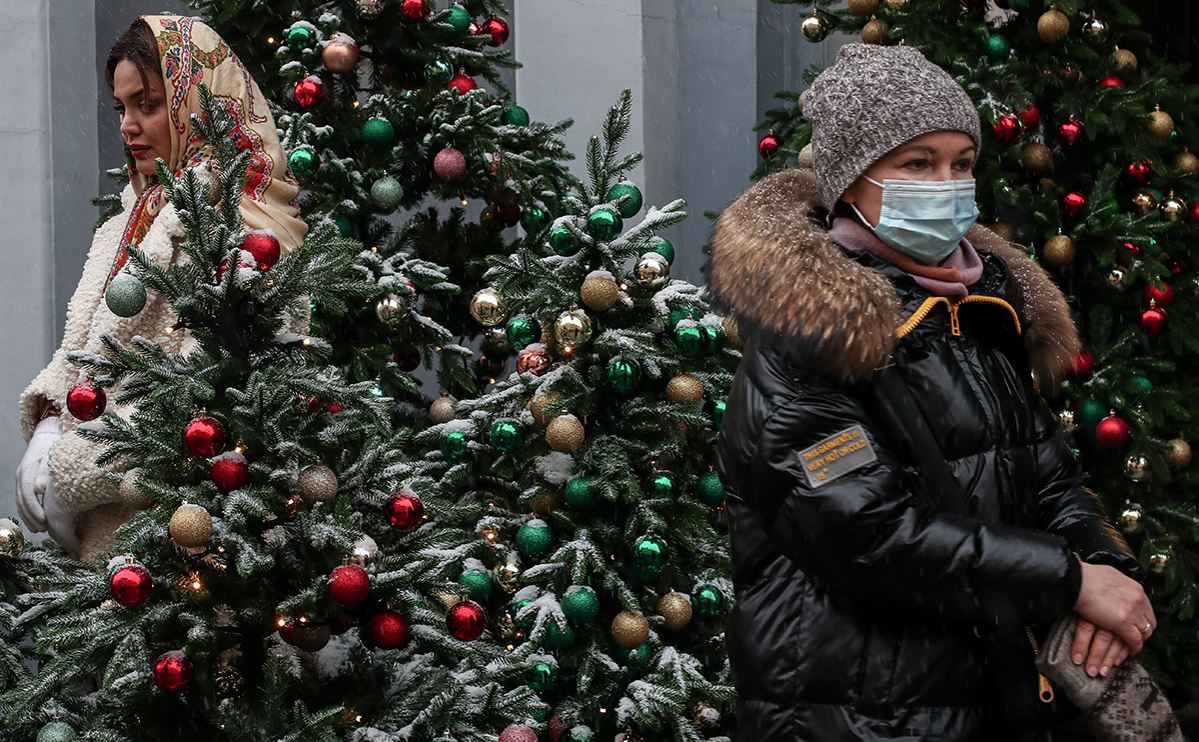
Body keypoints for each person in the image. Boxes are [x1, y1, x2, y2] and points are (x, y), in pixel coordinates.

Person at [709, 44, 1153, 741]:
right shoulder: (804, 340)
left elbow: (1050, 479)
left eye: (960, 163)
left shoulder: (981, 312)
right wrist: (1067, 582)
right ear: (851, 182)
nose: (945, 184)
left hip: (989, 699)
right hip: (856, 715)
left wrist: (1102, 567)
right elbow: (868, 534)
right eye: (916, 164)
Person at [15, 16, 307, 564]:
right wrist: (49, 422)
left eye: (147, 103)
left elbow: (204, 408)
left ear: (198, 101)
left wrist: (68, 468)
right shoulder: (128, 219)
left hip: (200, 566)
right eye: (122, 107)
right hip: (111, 560)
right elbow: (82, 348)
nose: (127, 125)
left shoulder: (248, 236)